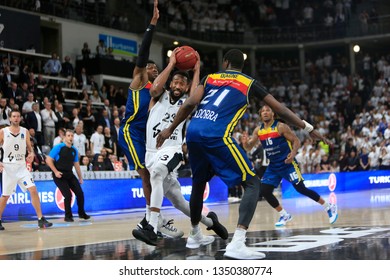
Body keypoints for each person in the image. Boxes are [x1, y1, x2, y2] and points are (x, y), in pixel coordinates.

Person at [156, 49, 329, 259]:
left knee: (198, 183)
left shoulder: (210, 77)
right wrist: (308, 128)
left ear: (225, 62)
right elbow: (280, 110)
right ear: (241, 66)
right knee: (253, 183)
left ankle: (194, 234)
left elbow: (190, 103)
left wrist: (169, 129)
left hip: (193, 132)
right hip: (217, 135)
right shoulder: (248, 82)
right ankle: (237, 243)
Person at [132, 50, 228, 246]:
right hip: (151, 154)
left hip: (172, 150)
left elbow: (195, 94)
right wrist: (171, 63)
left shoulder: (187, 103)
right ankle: (210, 222)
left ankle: (150, 226)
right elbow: (154, 88)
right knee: (180, 202)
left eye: (182, 83)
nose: (177, 85)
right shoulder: (158, 97)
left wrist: (197, 68)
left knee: (157, 174)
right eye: (175, 82)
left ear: (185, 88)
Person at [117, 0, 180, 237]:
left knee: (156, 174)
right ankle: (152, 219)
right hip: (130, 130)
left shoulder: (159, 92)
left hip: (148, 137)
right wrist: (152, 23)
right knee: (144, 172)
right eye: (152, 68)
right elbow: (143, 54)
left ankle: (154, 217)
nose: (154, 69)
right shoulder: (140, 80)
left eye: (156, 68)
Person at [241, 105, 338, 227]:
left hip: (288, 163)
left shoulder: (280, 127)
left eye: (268, 110)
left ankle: (329, 206)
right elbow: (249, 147)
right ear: (260, 115)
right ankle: (284, 214)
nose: (265, 112)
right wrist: (245, 143)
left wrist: (292, 154)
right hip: (273, 167)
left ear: (273, 114)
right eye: (263, 111)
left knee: (301, 189)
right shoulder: (258, 130)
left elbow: (296, 140)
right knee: (264, 191)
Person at [0, 109, 53, 230]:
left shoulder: (25, 131)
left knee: (33, 190)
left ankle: (40, 219)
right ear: (10, 118)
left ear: (20, 118)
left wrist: (31, 154)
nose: (16, 118)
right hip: (8, 167)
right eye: (14, 116)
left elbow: (30, 149)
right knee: (5, 196)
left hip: (21, 167)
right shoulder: (3, 131)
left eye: (18, 116)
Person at [45, 129, 90, 222]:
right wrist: (56, 171)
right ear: (65, 137)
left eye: (72, 136)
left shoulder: (74, 150)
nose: (70, 137)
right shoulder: (59, 147)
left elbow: (76, 165)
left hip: (69, 174)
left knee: (80, 193)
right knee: (68, 195)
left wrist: (80, 177)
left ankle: (81, 213)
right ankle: (68, 216)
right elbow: (48, 160)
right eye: (68, 136)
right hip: (59, 175)